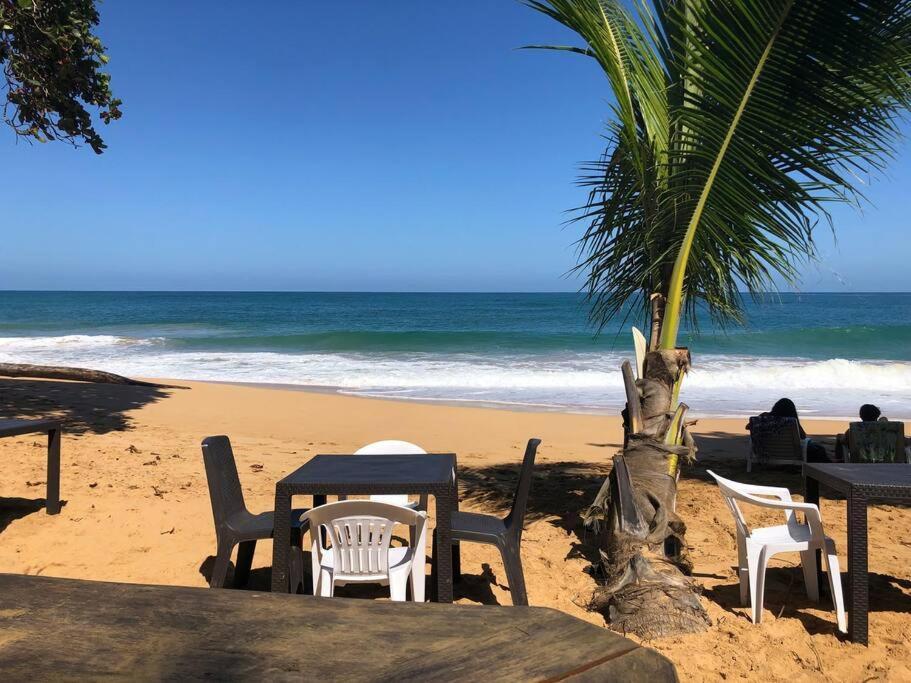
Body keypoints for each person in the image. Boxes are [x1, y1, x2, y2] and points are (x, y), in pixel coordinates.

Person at [748, 397, 830, 463]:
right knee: (818, 449)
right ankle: (830, 465)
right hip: (789, 453)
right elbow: (803, 437)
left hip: (768, 452)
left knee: (817, 448)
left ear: (775, 407)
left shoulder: (764, 418)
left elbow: (749, 427)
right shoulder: (791, 421)